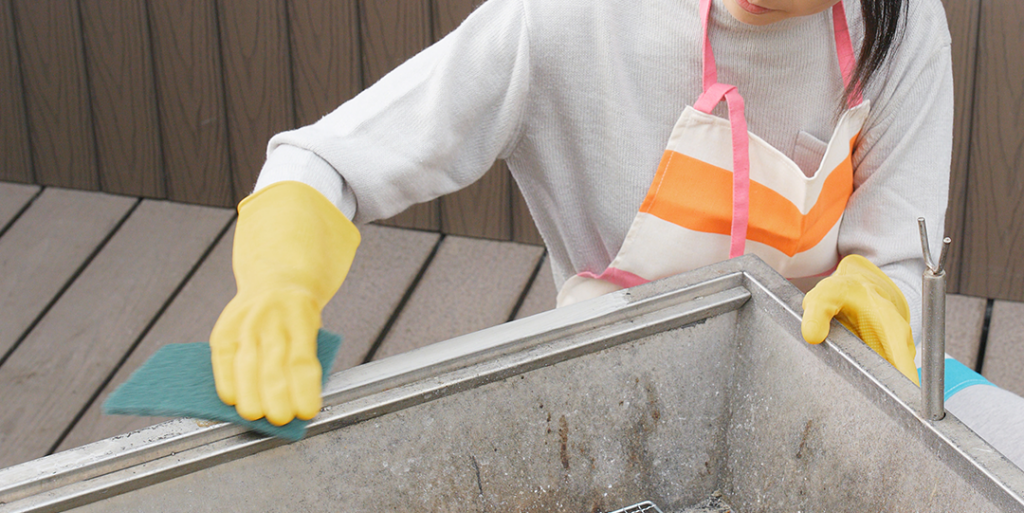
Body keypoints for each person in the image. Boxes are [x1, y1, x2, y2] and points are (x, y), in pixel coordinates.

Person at [212, 0, 952, 424]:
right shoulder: (568, 17)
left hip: (827, 393)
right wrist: (279, 285)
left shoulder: (902, 24)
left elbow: (897, 254)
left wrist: (879, 295)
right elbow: (328, 160)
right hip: (618, 398)